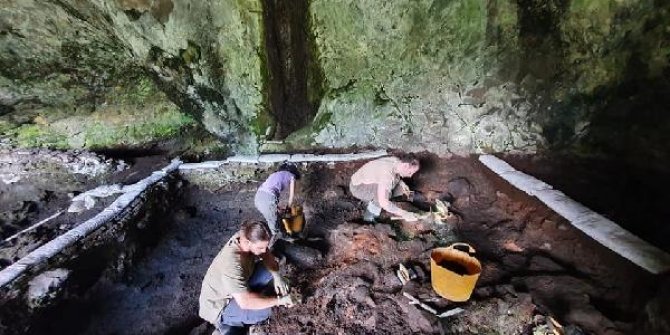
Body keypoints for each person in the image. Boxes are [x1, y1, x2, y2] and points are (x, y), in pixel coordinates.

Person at [199, 220, 297, 335]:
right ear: (248, 242)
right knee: (267, 311)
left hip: (239, 286)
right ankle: (225, 326)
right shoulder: (232, 264)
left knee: (268, 270)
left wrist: (277, 277)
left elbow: (265, 254)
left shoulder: (246, 235)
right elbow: (245, 303)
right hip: (221, 305)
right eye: (260, 248)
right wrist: (279, 301)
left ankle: (257, 297)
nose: (265, 251)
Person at [349, 154, 420, 222]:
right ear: (405, 165)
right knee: (383, 196)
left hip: (369, 179)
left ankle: (412, 198)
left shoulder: (396, 161)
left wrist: (401, 183)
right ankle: (369, 218)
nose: (410, 176)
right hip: (358, 187)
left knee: (401, 190)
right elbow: (383, 202)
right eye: (410, 172)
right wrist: (404, 214)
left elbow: (395, 175)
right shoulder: (387, 174)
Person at [254, 162, 301, 238]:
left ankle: (282, 235)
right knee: (274, 224)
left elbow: (267, 193)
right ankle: (278, 240)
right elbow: (291, 195)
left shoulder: (275, 174)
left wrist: (278, 208)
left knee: (275, 218)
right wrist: (288, 207)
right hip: (267, 199)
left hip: (258, 197)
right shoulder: (292, 176)